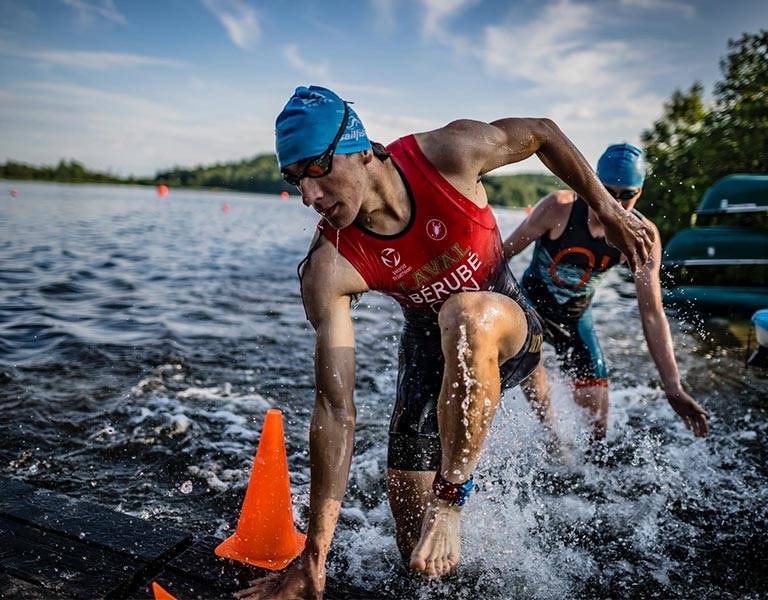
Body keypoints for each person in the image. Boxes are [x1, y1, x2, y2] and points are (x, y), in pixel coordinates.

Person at [236, 86, 653, 600]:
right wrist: (312, 557)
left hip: (507, 323)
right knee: (415, 555)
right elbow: (335, 407)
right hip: (428, 349)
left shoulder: (448, 154)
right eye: (294, 179)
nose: (309, 196)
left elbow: (543, 132)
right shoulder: (328, 267)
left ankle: (452, 497)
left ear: (360, 148)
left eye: (316, 170)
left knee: (465, 310)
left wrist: (607, 208)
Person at [503, 143, 709, 445]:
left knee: (597, 436)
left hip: (575, 318)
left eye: (627, 195)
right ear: (592, 184)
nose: (616, 203)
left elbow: (652, 313)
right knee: (548, 423)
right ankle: (550, 440)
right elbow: (501, 256)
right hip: (531, 309)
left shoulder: (642, 236)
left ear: (639, 193)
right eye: (608, 191)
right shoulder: (558, 208)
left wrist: (673, 385)